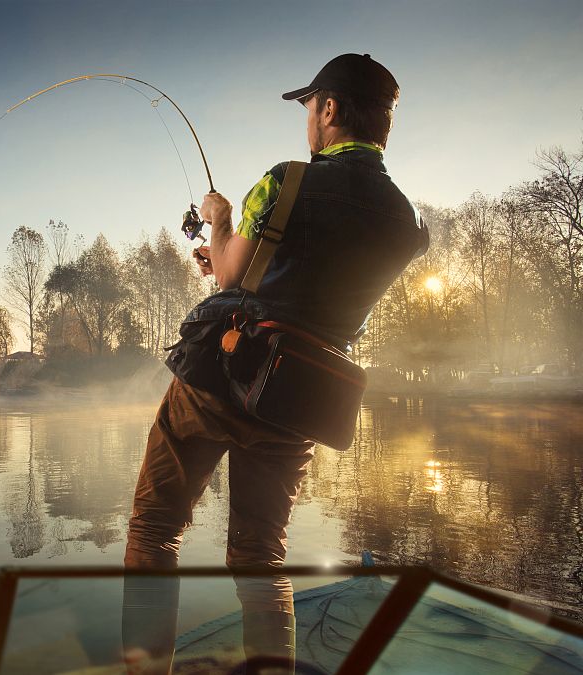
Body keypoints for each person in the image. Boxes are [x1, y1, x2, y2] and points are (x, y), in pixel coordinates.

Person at [121, 54, 429, 672]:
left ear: (330, 109)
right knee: (261, 556)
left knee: (155, 530)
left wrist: (220, 221)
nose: (307, 122)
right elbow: (311, 291)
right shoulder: (404, 221)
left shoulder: (287, 181)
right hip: (300, 400)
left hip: (220, 381)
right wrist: (238, 268)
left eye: (309, 107)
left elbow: (232, 273)